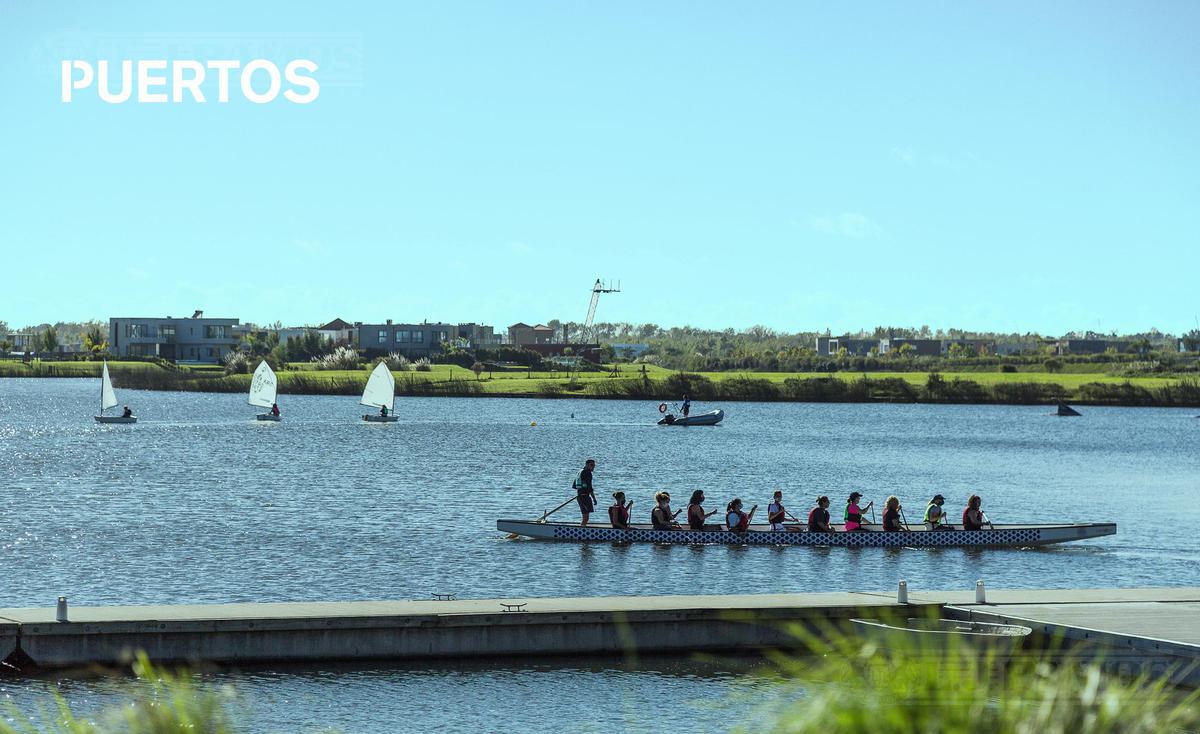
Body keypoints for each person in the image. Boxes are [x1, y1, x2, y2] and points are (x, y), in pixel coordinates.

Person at [573, 459, 598, 527]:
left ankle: (582, 527)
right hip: (584, 497)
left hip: (580, 496)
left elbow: (574, 486)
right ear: (586, 465)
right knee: (586, 517)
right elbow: (589, 487)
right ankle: (582, 529)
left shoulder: (580, 471)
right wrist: (594, 499)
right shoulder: (587, 472)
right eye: (591, 465)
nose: (593, 467)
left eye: (594, 465)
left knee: (585, 516)